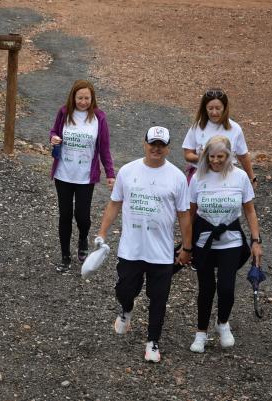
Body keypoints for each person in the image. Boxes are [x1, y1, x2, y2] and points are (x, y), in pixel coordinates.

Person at [95, 126, 192, 363]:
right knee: (125, 290)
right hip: (131, 249)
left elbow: (184, 214)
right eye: (152, 144)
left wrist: (187, 247)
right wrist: (102, 233)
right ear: (144, 144)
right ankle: (126, 310)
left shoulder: (177, 177)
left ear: (168, 147)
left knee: (158, 298)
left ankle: (153, 341)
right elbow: (115, 203)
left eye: (161, 145)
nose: (156, 149)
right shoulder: (128, 171)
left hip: (160, 252)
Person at [187, 135, 263, 353]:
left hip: (230, 240)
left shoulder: (240, 177)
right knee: (206, 288)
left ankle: (223, 323)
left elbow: (249, 210)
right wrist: (186, 244)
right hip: (204, 240)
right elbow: (190, 213)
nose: (216, 161)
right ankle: (201, 332)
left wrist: (256, 241)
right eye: (212, 156)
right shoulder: (198, 178)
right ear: (206, 156)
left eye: (221, 156)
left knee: (227, 288)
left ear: (229, 156)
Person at [49, 79, 116, 273]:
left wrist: (110, 174)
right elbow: (54, 131)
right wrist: (53, 138)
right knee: (65, 215)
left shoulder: (99, 118)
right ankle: (65, 256)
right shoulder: (64, 113)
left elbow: (104, 148)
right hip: (63, 173)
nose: (83, 102)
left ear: (92, 98)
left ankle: (83, 238)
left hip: (86, 176)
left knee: (82, 216)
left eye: (87, 98)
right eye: (80, 98)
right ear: (73, 97)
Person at [182, 89, 257, 188]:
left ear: (225, 108)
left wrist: (252, 178)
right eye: (210, 108)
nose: (214, 112)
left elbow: (243, 156)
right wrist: (202, 157)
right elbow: (188, 154)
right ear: (204, 109)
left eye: (218, 108)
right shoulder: (197, 127)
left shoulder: (235, 129)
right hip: (201, 177)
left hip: (227, 177)